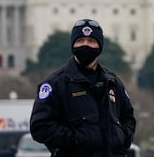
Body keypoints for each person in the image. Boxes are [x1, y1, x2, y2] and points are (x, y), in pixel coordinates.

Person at [30, 19, 136, 157]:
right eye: (80, 40)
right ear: (73, 45)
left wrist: (121, 138)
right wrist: (77, 140)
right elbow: (40, 126)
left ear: (100, 46)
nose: (85, 45)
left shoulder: (113, 81)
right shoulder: (55, 83)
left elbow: (128, 117)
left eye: (91, 41)